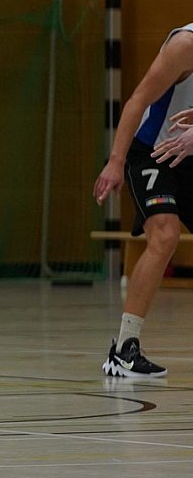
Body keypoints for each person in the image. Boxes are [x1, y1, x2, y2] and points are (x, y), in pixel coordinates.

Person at [89, 23, 193, 378]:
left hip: (189, 152)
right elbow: (138, 99)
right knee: (165, 234)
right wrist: (116, 161)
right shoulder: (184, 45)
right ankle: (124, 348)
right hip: (152, 153)